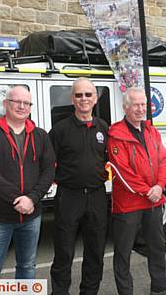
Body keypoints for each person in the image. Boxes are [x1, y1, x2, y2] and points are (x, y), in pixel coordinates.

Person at [107, 87, 166, 295]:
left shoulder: (151, 131)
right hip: (128, 205)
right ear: (125, 107)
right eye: (136, 105)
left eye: (143, 105)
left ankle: (160, 288)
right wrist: (148, 190)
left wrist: (160, 186)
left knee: (157, 248)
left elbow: (164, 160)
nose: (141, 109)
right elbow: (122, 172)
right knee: (123, 253)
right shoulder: (116, 134)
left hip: (154, 202)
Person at [0, 85, 55, 279]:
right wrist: (18, 199)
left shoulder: (40, 135)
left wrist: (32, 199)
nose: (21, 106)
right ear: (5, 104)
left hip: (32, 216)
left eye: (26, 103)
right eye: (16, 101)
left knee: (27, 267)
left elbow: (49, 170)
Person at [49, 78, 109, 294]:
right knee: (64, 252)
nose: (83, 99)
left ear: (95, 99)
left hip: (97, 197)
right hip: (69, 197)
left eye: (88, 95)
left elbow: (112, 159)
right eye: (79, 95)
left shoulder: (104, 128)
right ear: (72, 99)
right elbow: (48, 164)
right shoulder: (60, 130)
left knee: (95, 252)